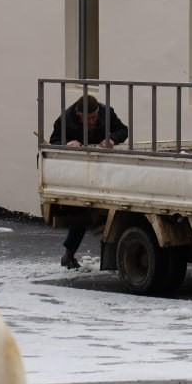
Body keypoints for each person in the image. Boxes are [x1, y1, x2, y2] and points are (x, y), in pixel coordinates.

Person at [49, 94, 129, 269]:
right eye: (89, 119)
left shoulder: (106, 113)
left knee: (108, 212)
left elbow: (123, 130)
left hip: (102, 169)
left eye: (94, 117)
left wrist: (112, 139)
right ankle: (69, 254)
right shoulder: (65, 119)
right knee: (82, 216)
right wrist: (67, 144)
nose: (93, 121)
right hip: (77, 173)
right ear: (79, 115)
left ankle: (105, 259)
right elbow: (53, 142)